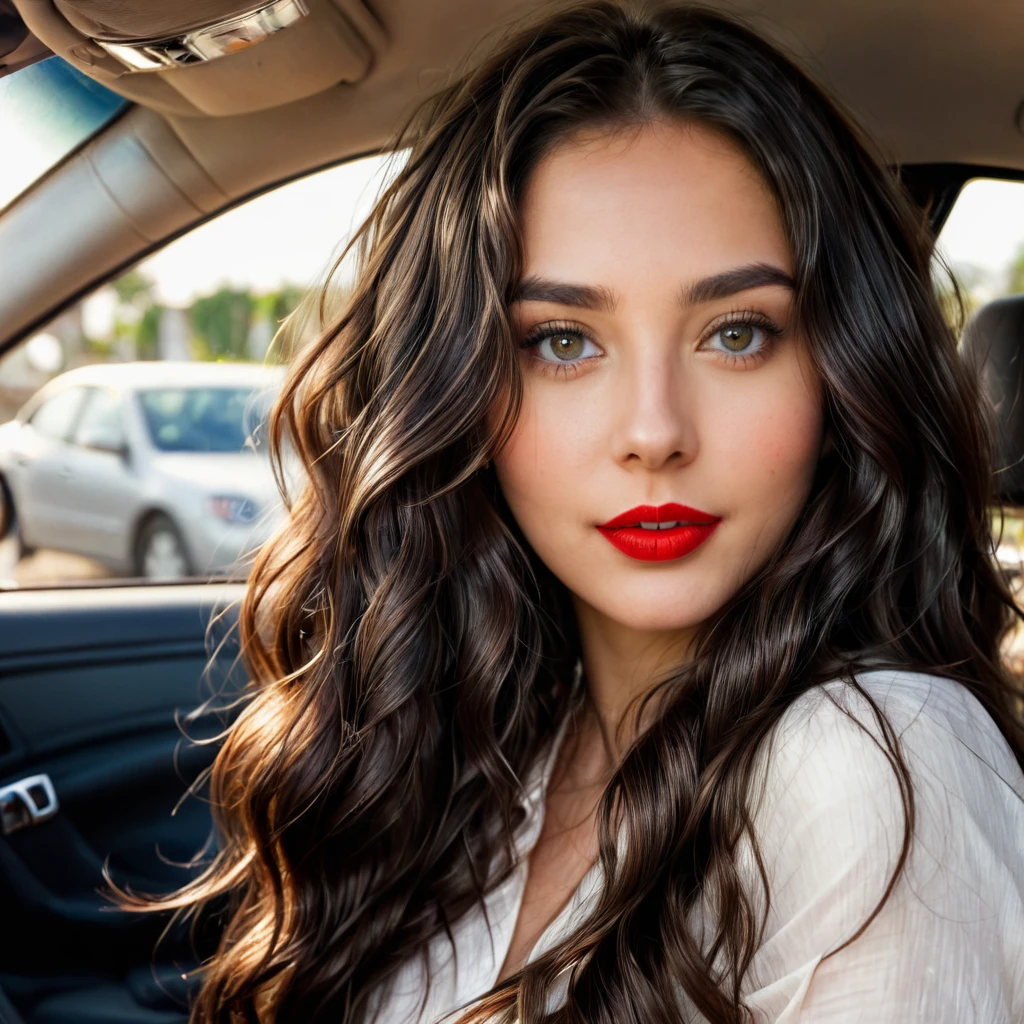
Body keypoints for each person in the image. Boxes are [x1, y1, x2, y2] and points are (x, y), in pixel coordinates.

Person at [122, 2, 1024, 1021]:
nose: (653, 431)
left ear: (841, 374)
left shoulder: (877, 763)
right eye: (561, 341)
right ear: (454, 388)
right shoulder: (488, 736)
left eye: (736, 333)